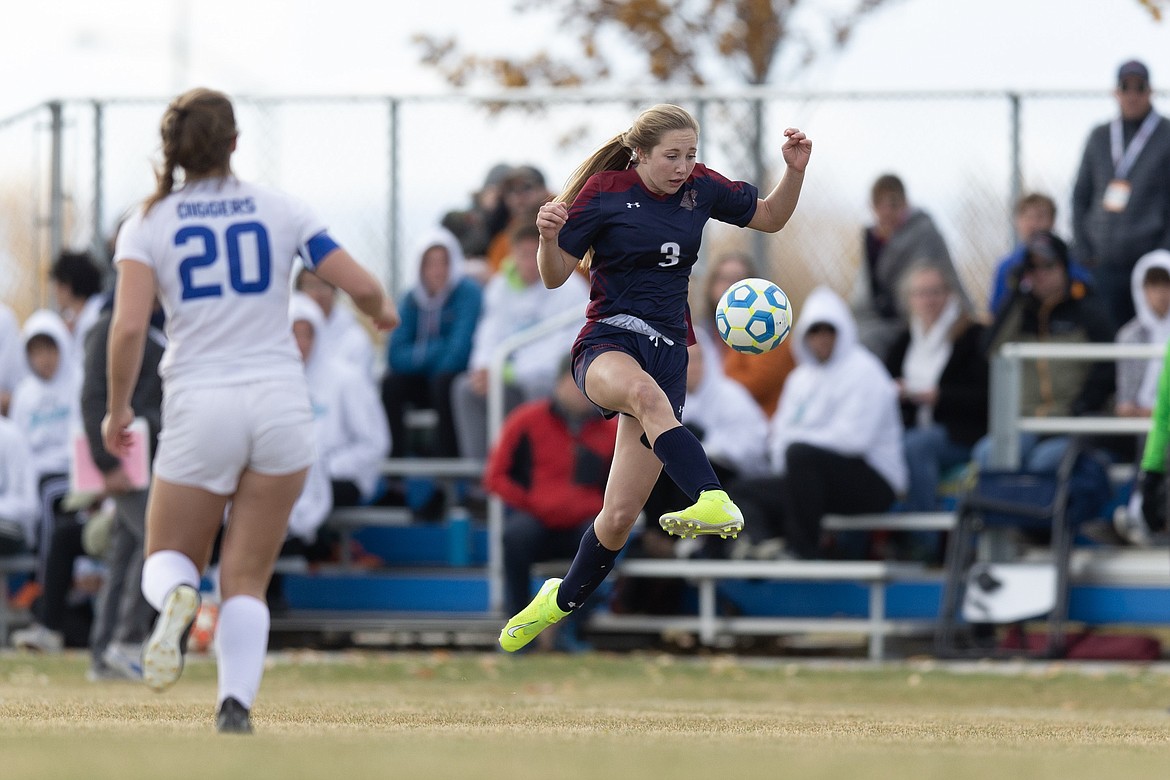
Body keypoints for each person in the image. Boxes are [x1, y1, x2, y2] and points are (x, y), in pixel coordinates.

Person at [101, 87, 398, 734]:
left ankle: (179, 598)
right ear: (236, 142)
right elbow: (363, 284)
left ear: (173, 149)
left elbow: (127, 329)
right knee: (247, 577)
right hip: (280, 404)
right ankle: (234, 706)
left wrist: (118, 407)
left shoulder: (147, 222)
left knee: (168, 557)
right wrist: (378, 312)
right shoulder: (282, 208)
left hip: (200, 401)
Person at [498, 102, 813, 651]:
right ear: (640, 154)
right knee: (642, 394)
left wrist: (795, 171)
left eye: (690, 154)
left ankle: (559, 599)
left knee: (618, 516)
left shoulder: (699, 188)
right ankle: (711, 496)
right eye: (672, 155)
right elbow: (552, 279)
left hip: (669, 354)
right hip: (608, 344)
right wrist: (549, 238)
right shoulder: (603, 192)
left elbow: (769, 217)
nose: (683, 165)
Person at [728, 287, 907, 560]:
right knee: (741, 490)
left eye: (828, 330)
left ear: (842, 331)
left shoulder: (865, 370)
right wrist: (791, 449)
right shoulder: (799, 378)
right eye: (814, 331)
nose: (821, 338)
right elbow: (779, 436)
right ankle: (763, 546)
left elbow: (854, 440)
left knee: (800, 456)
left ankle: (803, 551)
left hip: (873, 480)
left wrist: (796, 443)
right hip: (809, 478)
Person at [483, 357, 617, 647]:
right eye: (578, 383)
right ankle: (519, 626)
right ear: (560, 383)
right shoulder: (526, 420)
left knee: (611, 539)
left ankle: (574, 630)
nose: (583, 392)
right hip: (537, 520)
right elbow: (495, 475)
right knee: (514, 537)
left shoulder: (611, 429)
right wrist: (532, 502)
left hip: (584, 521)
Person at [77, 296, 165, 680]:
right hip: (124, 460)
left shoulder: (152, 327)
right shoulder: (109, 328)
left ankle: (105, 653)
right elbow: (94, 398)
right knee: (154, 541)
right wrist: (106, 462)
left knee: (127, 551)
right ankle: (125, 642)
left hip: (149, 459)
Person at [975, 230, 1115, 472]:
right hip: (1025, 422)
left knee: (1044, 462)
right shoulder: (1020, 311)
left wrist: (1081, 406)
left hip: (1072, 422)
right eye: (1033, 268)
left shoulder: (1087, 308)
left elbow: (1108, 367)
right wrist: (1016, 294)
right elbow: (989, 351)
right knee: (987, 455)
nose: (1041, 275)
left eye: (1048, 266)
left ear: (1064, 267)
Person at [451, 221, 588, 460]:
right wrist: (483, 369)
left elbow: (566, 350)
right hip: (507, 378)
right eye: (523, 254)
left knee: (533, 387)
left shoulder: (572, 289)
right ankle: (483, 477)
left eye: (535, 253)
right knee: (466, 388)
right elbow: (488, 335)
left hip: (548, 383)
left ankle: (531, 469)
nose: (530, 262)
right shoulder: (499, 286)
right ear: (512, 254)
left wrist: (508, 371)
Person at [883, 265, 988, 561]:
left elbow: (986, 397)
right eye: (921, 293)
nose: (928, 300)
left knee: (916, 446)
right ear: (910, 299)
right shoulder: (905, 341)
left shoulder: (972, 336)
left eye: (935, 292)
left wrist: (940, 397)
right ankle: (862, 545)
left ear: (949, 294)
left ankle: (924, 543)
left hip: (960, 432)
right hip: (914, 428)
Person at [1072, 59, 1170, 328]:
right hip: (1103, 262)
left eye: (1140, 87)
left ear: (1150, 91)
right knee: (1109, 336)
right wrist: (1085, 249)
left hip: (1151, 266)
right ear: (1116, 92)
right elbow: (1080, 196)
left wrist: (1162, 253)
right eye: (1125, 87)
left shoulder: (1165, 134)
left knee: (1149, 336)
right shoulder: (1100, 136)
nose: (1132, 95)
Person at [382, 227, 482, 459]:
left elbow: (458, 353)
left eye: (443, 262)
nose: (437, 271)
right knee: (391, 384)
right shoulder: (411, 299)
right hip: (424, 378)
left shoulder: (468, 292)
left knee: (445, 381)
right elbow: (394, 354)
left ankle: (450, 471)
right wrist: (436, 349)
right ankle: (395, 475)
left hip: (450, 379)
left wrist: (419, 355)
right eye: (430, 263)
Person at [852, 173, 970, 361]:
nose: (886, 213)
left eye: (893, 205)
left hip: (914, 318)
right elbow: (864, 293)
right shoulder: (873, 239)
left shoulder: (923, 232)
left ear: (904, 203)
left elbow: (936, 278)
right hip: (879, 318)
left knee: (871, 341)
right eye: (879, 206)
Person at [290, 293, 389, 509]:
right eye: (294, 334)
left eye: (308, 335)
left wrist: (326, 467)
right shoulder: (276, 382)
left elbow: (374, 442)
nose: (301, 344)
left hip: (342, 477)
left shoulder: (347, 379)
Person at [1111, 250, 1170, 544]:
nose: (1161, 293)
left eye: (1166, 284)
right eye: (1154, 285)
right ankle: (1141, 515)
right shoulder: (1129, 335)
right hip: (1147, 420)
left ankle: (1142, 516)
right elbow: (1124, 400)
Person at [696, 251, 795, 417]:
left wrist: (707, 388)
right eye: (724, 278)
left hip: (759, 423)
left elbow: (756, 384)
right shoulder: (704, 330)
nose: (730, 286)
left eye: (737, 280)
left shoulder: (768, 330)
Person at [988, 193, 1093, 316]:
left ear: (1053, 221)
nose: (1034, 224)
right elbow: (995, 312)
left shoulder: (1070, 263)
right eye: (1027, 217)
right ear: (1017, 222)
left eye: (1040, 217)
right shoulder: (1006, 267)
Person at [50, 250, 109, 374]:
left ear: (67, 286)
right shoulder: (75, 318)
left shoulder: (98, 317)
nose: (54, 293)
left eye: (57, 286)